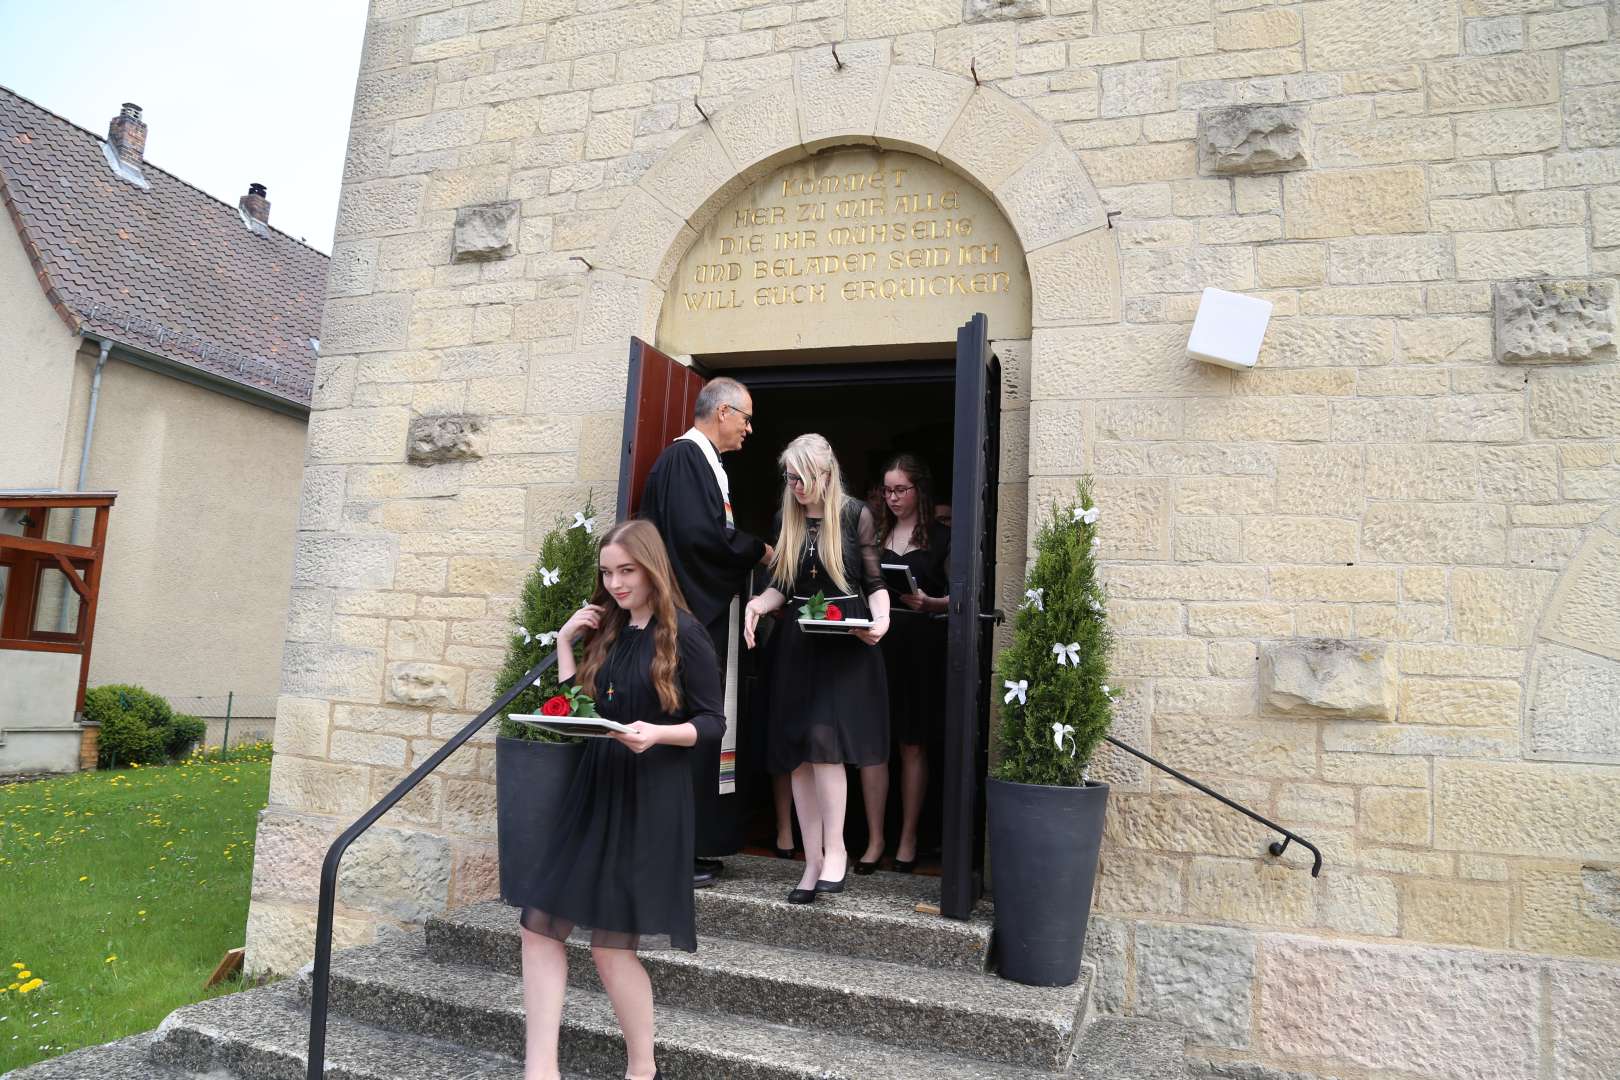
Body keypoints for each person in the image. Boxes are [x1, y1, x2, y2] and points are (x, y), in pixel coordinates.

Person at [511, 519, 723, 1080]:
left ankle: (641, 1068)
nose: (617, 583)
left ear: (651, 568)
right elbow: (579, 708)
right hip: (594, 790)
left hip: (650, 796)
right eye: (608, 573)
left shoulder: (686, 634)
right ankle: (541, 1070)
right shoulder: (609, 631)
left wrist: (655, 733)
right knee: (538, 926)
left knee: (610, 947)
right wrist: (564, 643)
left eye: (627, 571)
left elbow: (713, 724)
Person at [743, 434, 890, 903]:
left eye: (803, 478)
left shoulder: (854, 515)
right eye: (790, 477)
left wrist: (882, 620)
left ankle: (837, 850)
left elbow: (875, 581)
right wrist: (757, 606)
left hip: (843, 645)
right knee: (798, 755)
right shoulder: (786, 517)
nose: (796, 486)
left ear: (827, 475)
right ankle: (811, 862)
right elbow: (780, 586)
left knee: (825, 747)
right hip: (797, 648)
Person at [638, 376, 772, 888]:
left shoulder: (702, 464)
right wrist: (754, 550)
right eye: (746, 417)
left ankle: (695, 844)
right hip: (687, 620)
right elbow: (698, 540)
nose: (749, 428)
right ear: (723, 412)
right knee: (689, 720)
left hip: (695, 617)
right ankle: (679, 850)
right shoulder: (684, 460)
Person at [857, 454, 950, 874]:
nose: (892, 498)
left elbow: (966, 596)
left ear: (919, 491)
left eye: (901, 490)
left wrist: (930, 601)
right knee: (873, 742)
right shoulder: (876, 532)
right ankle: (875, 839)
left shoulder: (942, 537)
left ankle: (908, 838)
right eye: (887, 490)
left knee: (912, 743)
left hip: (919, 644)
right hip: (878, 645)